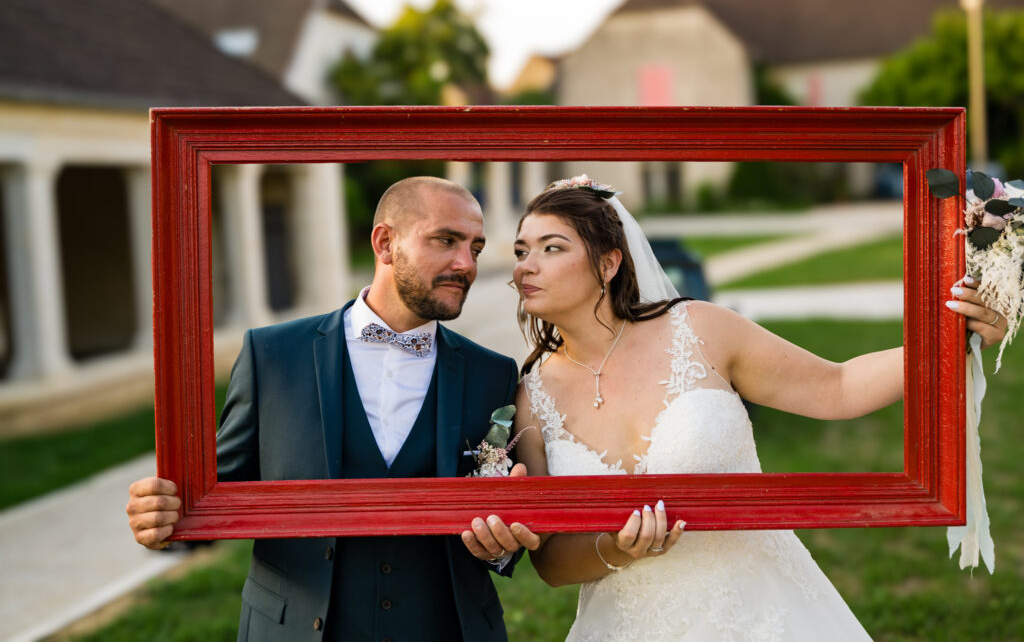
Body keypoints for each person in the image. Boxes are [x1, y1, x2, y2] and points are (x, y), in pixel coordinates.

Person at [471, 176, 1007, 641]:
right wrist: (618, 547)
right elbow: (552, 563)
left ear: (609, 262)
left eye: (551, 248)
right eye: (520, 252)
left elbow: (839, 387)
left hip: (765, 610)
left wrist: (950, 341)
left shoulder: (701, 329)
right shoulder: (530, 396)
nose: (524, 268)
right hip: (625, 624)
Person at [127, 176, 538, 642]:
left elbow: (500, 520)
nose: (465, 264)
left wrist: (501, 547)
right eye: (446, 240)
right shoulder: (273, 356)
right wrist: (165, 519)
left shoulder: (494, 375)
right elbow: (215, 498)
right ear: (385, 243)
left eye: (476, 248)